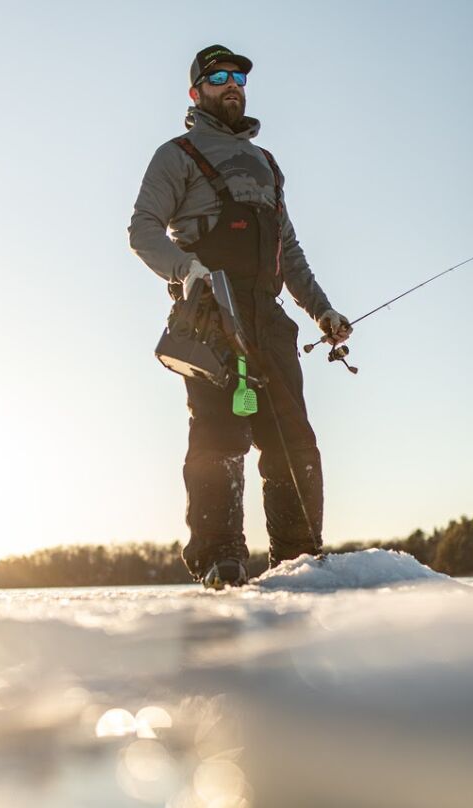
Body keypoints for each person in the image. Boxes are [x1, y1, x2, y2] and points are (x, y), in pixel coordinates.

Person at [128, 44, 351, 588]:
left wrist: (323, 311)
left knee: (293, 439)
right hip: (210, 313)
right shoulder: (176, 154)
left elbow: (290, 251)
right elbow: (143, 230)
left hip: (269, 317)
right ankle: (220, 559)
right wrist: (188, 271)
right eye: (219, 76)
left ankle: (300, 560)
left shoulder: (268, 163)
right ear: (196, 91)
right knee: (219, 436)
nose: (233, 84)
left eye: (239, 77)